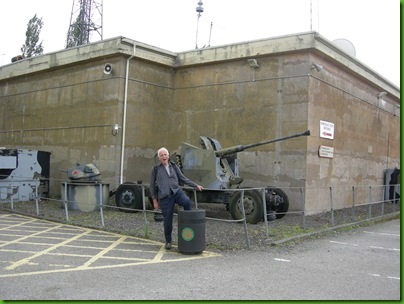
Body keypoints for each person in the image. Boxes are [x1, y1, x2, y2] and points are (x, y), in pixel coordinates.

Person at [150, 147, 203, 250]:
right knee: (167, 221)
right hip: (165, 197)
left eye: (165, 154)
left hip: (176, 192)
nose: (164, 157)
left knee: (187, 202)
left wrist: (195, 185)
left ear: (168, 156)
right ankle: (168, 242)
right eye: (162, 155)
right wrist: (154, 200)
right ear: (159, 157)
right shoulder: (155, 169)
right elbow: (152, 186)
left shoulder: (173, 166)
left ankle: (187, 225)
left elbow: (183, 178)